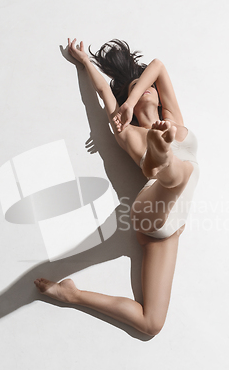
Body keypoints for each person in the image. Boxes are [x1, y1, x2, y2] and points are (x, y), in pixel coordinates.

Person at [34, 38, 199, 336]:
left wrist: (131, 100)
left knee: (151, 324)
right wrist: (84, 61)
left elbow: (158, 66)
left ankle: (72, 294)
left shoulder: (172, 117)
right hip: (152, 205)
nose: (145, 86)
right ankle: (160, 157)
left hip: (168, 228)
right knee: (179, 173)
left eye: (147, 86)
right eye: (136, 85)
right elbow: (100, 93)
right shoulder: (127, 130)